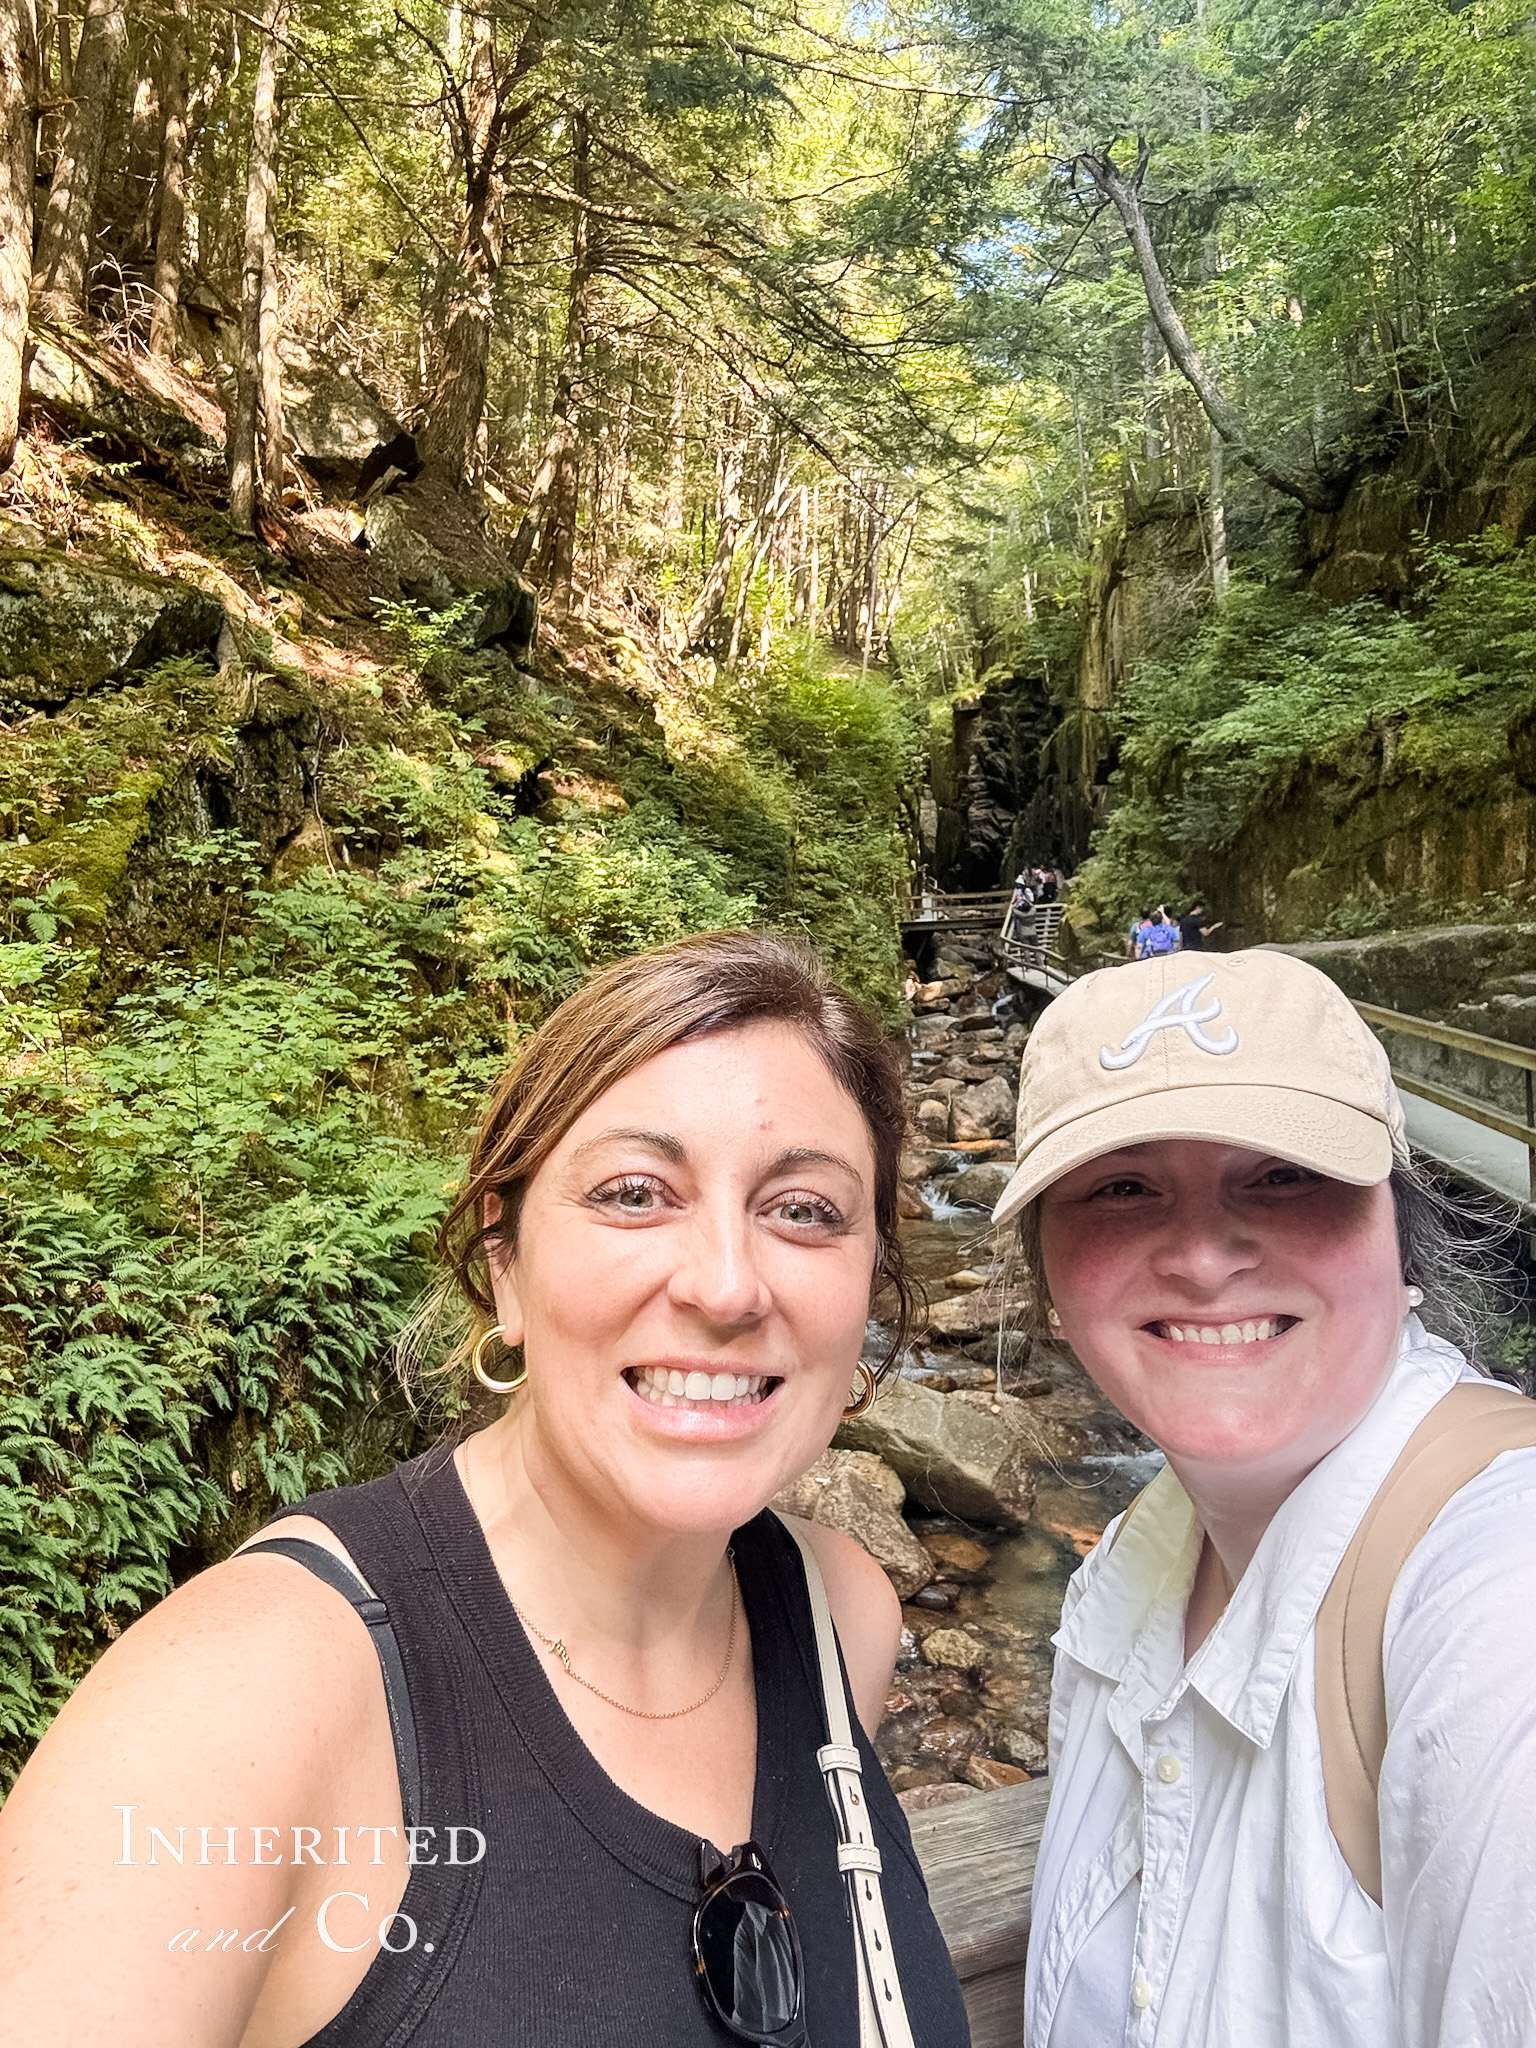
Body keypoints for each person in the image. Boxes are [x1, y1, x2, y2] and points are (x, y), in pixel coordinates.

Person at [0, 933, 970, 2048]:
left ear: (868, 1282)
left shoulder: (841, 1611)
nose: (725, 1282)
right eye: (635, 1192)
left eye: (803, 1209)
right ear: (505, 1261)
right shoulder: (241, 1700)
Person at [990, 949, 1536, 2046]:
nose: (1201, 1254)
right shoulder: (1131, 1571)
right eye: (1124, 1186)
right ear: (1047, 1267)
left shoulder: (1496, 1592)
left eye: (1282, 1173)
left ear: (1394, 1215)